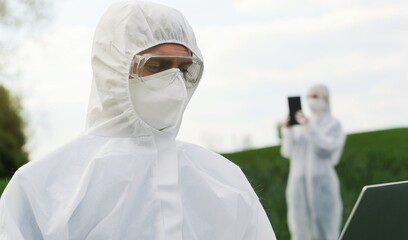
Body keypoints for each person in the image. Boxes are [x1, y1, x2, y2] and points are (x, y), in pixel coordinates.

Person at [0, 1, 276, 239]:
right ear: (113, 67)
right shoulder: (41, 188)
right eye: (157, 66)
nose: (174, 81)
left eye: (184, 68)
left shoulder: (224, 182)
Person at [280, 84, 345, 240]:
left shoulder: (332, 124)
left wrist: (309, 127)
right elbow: (287, 152)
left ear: (325, 99)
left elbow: (326, 148)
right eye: (308, 97)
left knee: (325, 226)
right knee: (299, 225)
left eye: (315, 96)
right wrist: (287, 130)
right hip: (298, 182)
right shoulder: (299, 125)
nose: (310, 100)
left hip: (321, 182)